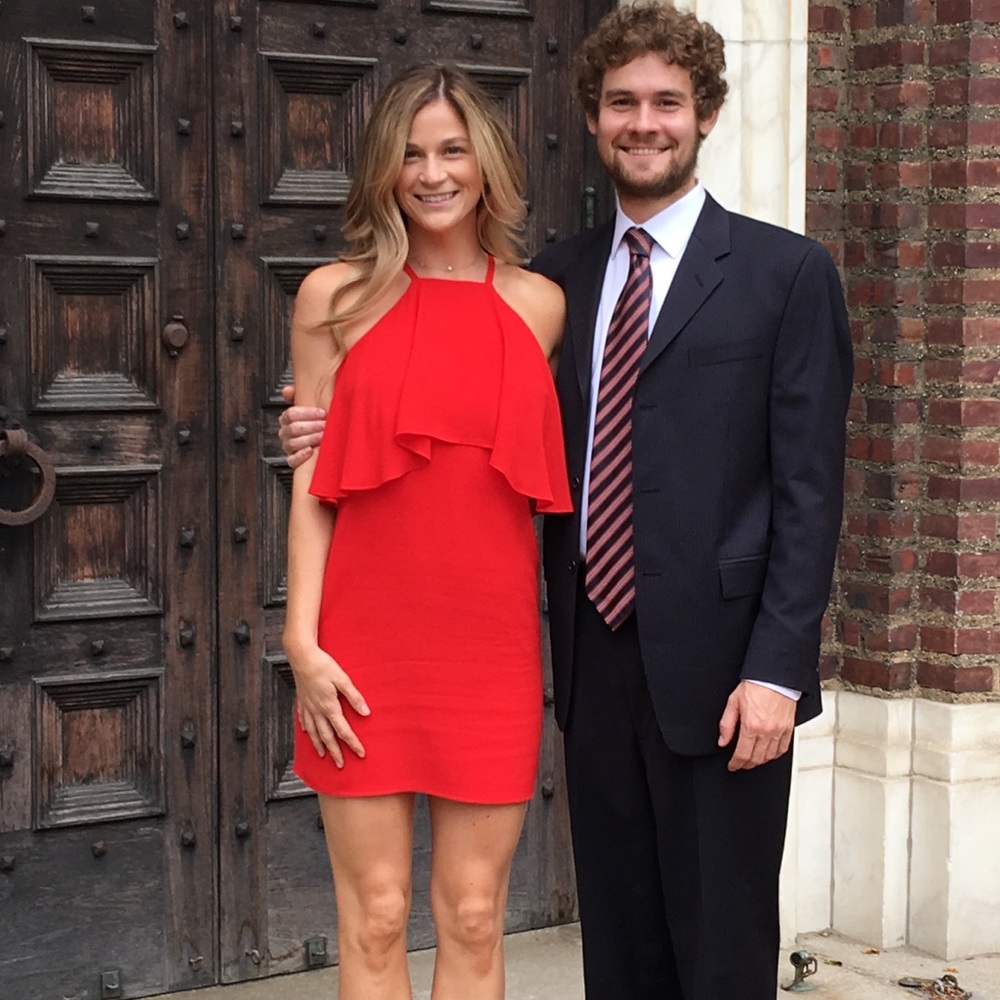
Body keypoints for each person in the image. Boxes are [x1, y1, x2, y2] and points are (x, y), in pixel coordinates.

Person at [282, 5, 853, 999]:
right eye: (622, 102)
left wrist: (777, 668)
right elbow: (363, 441)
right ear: (591, 118)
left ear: (706, 114)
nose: (644, 123)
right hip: (583, 656)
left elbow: (810, 488)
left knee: (704, 943)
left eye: (666, 102)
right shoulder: (561, 279)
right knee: (613, 940)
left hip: (715, 668)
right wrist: (313, 439)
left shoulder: (778, 274)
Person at [282, 62, 569, 1000]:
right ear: (383, 169)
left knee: (476, 915)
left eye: (452, 150)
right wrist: (301, 643)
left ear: (487, 164)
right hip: (363, 649)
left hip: (489, 647)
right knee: (373, 913)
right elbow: (314, 477)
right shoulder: (332, 298)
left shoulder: (541, 305)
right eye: (410, 154)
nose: (432, 173)